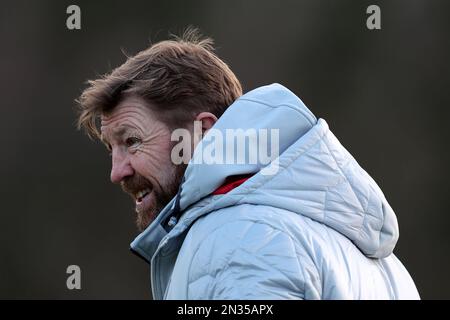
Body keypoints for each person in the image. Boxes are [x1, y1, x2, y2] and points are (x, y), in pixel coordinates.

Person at [77, 28, 419, 299]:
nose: (116, 172)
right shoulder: (382, 262)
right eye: (112, 148)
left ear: (202, 134)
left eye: (133, 141)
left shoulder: (239, 242)